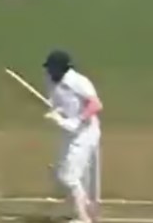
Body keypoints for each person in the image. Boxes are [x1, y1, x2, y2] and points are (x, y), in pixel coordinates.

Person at [43, 50, 103, 223]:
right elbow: (59, 103)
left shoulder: (78, 81)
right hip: (68, 134)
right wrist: (57, 113)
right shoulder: (51, 81)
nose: (48, 71)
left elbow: (96, 104)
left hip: (85, 134)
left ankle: (84, 219)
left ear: (60, 68)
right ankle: (85, 210)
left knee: (69, 177)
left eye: (51, 68)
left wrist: (77, 121)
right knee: (66, 173)